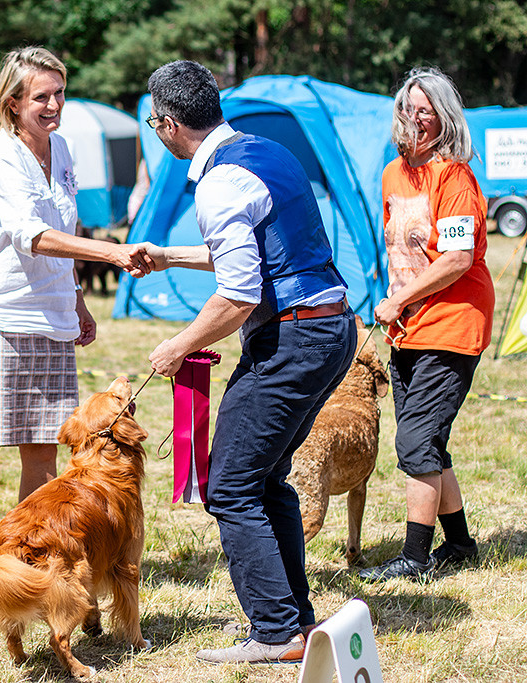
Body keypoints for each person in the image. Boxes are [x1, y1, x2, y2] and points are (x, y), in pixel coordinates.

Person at [0, 47, 153, 608]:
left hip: (51, 317)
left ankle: (29, 559)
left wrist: (77, 301)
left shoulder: (62, 150)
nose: (54, 105)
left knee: (44, 453)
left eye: (59, 94)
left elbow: (59, 230)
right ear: (13, 101)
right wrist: (110, 255)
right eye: (41, 96)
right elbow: (30, 235)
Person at [142, 60, 357, 664]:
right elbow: (260, 256)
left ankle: (275, 632)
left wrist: (178, 346)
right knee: (263, 479)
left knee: (231, 486)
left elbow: (240, 295)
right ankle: (297, 623)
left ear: (166, 125)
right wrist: (167, 257)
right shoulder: (266, 149)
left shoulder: (215, 184)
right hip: (332, 327)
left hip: (295, 338)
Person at [357, 67, 494, 582]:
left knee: (415, 441)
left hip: (454, 321)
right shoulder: (394, 174)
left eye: (428, 109)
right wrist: (397, 302)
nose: (417, 116)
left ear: (444, 117)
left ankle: (414, 558)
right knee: (429, 440)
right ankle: (458, 545)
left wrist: (402, 299)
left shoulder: (454, 177)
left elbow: (457, 258)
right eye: (410, 107)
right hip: (408, 324)